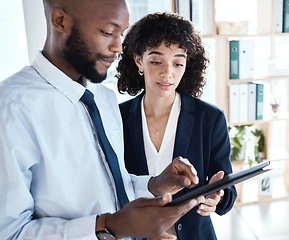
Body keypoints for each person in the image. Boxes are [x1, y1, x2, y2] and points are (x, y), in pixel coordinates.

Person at [0, 1, 205, 239]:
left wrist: (154, 185)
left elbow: (111, 185)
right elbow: (11, 233)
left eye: (122, 33)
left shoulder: (103, 98)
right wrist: (110, 225)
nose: (118, 47)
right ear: (60, 21)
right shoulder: (11, 109)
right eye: (108, 32)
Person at [117, 12, 237, 240]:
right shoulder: (117, 118)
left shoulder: (210, 118)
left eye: (178, 63)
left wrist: (217, 197)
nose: (167, 73)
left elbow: (228, 190)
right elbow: (114, 187)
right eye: (156, 61)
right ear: (138, 60)